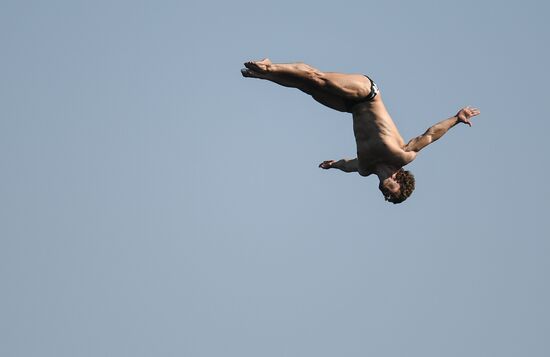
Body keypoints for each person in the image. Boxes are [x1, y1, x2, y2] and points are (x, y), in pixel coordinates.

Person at [241, 59, 480, 203]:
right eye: (392, 195)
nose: (386, 197)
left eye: (388, 198)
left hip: (351, 107)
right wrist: (456, 119)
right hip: (367, 93)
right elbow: (429, 135)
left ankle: (264, 75)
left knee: (308, 88)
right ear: (400, 181)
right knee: (317, 79)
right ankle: (270, 67)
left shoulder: (365, 169)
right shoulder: (403, 155)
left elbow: (348, 165)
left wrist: (333, 165)